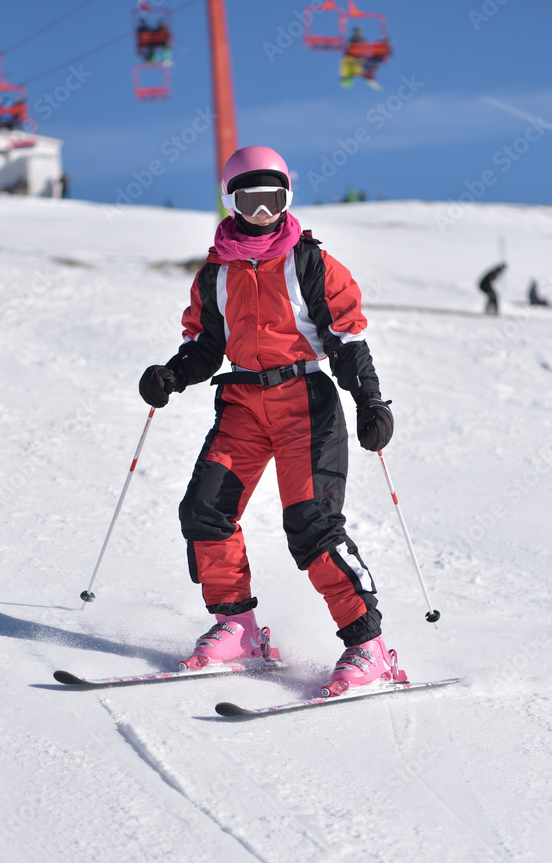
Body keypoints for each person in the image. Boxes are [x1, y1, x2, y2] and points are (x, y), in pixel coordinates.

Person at [138, 146, 398, 698]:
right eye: (250, 201)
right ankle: (239, 628)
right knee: (205, 512)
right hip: (242, 404)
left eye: (273, 200)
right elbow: (208, 345)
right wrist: (171, 374)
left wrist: (371, 402)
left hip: (306, 401)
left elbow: (346, 337)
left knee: (312, 527)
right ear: (230, 201)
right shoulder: (216, 273)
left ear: (287, 200)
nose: (263, 214)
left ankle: (367, 646)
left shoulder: (310, 263)